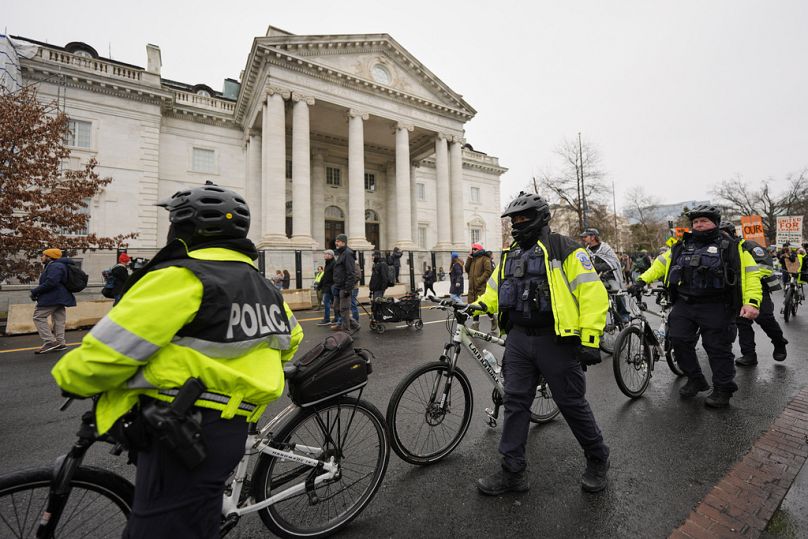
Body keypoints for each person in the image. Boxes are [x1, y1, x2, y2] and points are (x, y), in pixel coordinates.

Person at [51, 181, 303, 538]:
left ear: (186, 229)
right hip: (230, 424)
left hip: (182, 424)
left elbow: (104, 355)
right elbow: (290, 339)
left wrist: (68, 378)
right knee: (194, 520)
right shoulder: (263, 286)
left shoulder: (181, 276)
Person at [474, 191, 610, 496]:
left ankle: (598, 457)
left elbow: (592, 295)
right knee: (515, 402)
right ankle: (512, 472)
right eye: (514, 219)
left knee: (571, 403)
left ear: (541, 217)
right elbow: (496, 290)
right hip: (519, 339)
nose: (518, 224)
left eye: (524, 218)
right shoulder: (510, 255)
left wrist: (589, 339)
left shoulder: (566, 250)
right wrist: (479, 306)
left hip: (556, 339)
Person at [629, 205, 761, 408]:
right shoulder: (682, 245)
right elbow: (660, 264)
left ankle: (723, 389)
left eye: (704, 221)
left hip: (717, 305)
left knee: (717, 349)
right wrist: (640, 280)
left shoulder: (732, 246)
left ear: (715, 223)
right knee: (678, 341)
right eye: (696, 222)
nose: (699, 224)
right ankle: (695, 379)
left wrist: (751, 302)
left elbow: (751, 274)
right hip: (684, 304)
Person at [717, 222, 787, 366]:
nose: (721, 236)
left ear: (733, 233)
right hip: (735, 292)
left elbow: (765, 266)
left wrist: (748, 277)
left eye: (724, 232)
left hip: (757, 289)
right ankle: (749, 355)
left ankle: (779, 342)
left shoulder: (749, 246)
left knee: (765, 319)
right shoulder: (720, 249)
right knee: (742, 323)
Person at [31, 248, 76, 354]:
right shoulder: (59, 265)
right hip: (60, 297)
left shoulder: (55, 266)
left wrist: (35, 291)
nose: (41, 257)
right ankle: (60, 343)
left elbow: (51, 282)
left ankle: (50, 341)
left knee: (38, 317)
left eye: (43, 255)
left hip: (53, 297)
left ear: (49, 257)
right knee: (58, 320)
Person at [580, 228, 629, 321]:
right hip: (595, 278)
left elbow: (612, 263)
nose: (584, 239)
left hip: (609, 277)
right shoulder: (586, 251)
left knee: (617, 291)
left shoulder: (605, 248)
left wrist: (595, 266)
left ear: (593, 237)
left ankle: (624, 315)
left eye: (585, 236)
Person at [466, 242, 497, 335]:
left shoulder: (485, 258)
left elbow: (488, 271)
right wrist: (469, 258)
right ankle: (475, 325)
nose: (473, 251)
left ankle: (493, 319)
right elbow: (467, 269)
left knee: (483, 306)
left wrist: (479, 281)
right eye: (472, 249)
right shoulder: (473, 259)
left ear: (479, 249)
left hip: (481, 287)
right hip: (472, 288)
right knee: (474, 306)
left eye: (475, 249)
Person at [331, 233, 359, 333]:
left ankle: (346, 331)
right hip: (338, 286)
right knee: (336, 307)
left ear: (343, 242)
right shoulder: (341, 253)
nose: (336, 243)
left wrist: (348, 289)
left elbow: (351, 273)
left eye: (338, 241)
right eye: (336, 241)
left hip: (344, 287)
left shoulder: (347, 253)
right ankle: (354, 324)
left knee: (344, 309)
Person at [317, 250, 336, 326]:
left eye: (326, 254)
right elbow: (325, 276)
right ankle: (334, 318)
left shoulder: (334, 264)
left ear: (330, 255)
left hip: (331, 287)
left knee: (328, 302)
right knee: (330, 303)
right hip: (327, 287)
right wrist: (320, 285)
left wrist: (333, 286)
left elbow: (335, 276)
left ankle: (327, 319)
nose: (324, 255)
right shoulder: (327, 264)